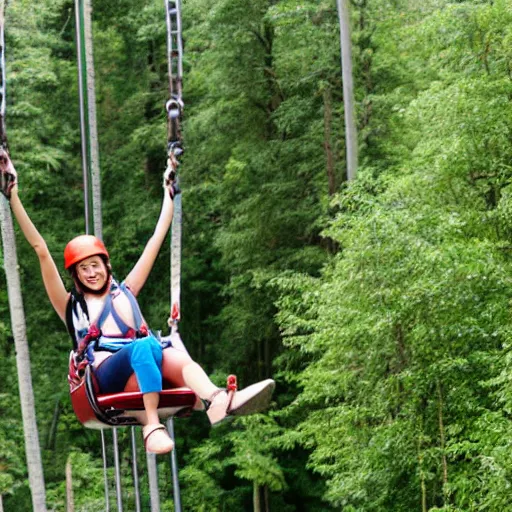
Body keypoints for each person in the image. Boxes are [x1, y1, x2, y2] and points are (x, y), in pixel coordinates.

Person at [0, 150, 275, 454]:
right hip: (104, 373)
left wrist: (168, 189)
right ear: (76, 276)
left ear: (106, 266)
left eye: (96, 265)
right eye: (84, 268)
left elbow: (157, 238)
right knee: (145, 346)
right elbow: (40, 248)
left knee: (171, 354)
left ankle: (218, 399)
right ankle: (151, 425)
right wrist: (13, 193)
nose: (92, 273)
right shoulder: (70, 306)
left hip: (141, 362)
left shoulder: (125, 291)